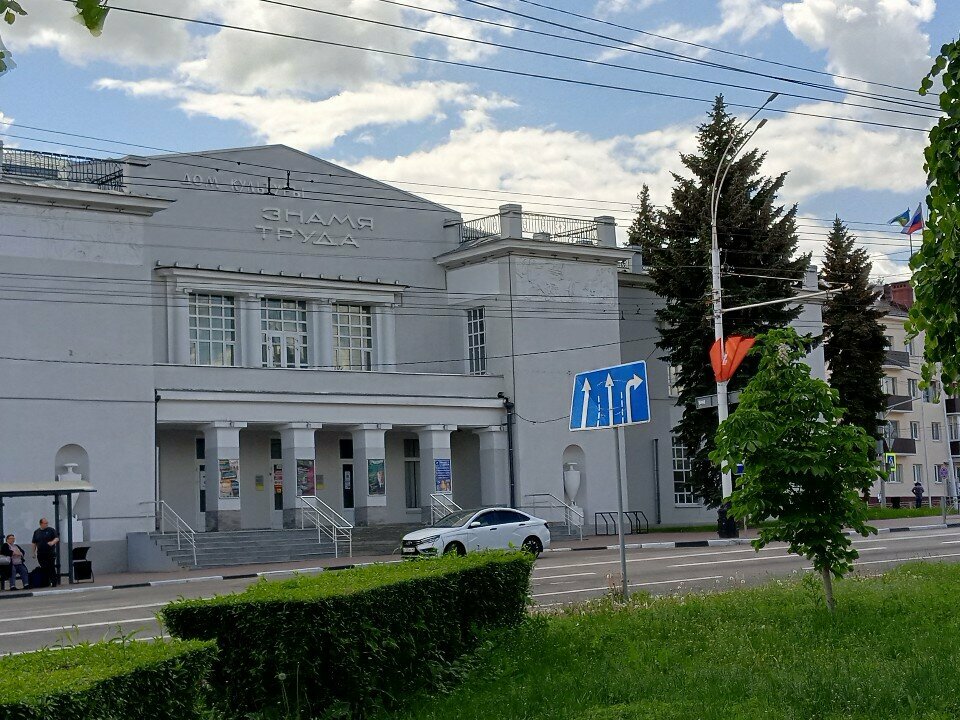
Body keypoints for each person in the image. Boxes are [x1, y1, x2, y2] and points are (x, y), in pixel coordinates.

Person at [32, 517, 60, 587]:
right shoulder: (36, 532)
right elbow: (34, 543)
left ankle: (54, 582)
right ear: (41, 524)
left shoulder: (51, 530)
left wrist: (52, 542)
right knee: (44, 567)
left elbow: (56, 538)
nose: (47, 524)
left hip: (50, 553)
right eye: (45, 523)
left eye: (47, 523)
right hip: (41, 553)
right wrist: (33, 552)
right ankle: (46, 582)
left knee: (51, 566)